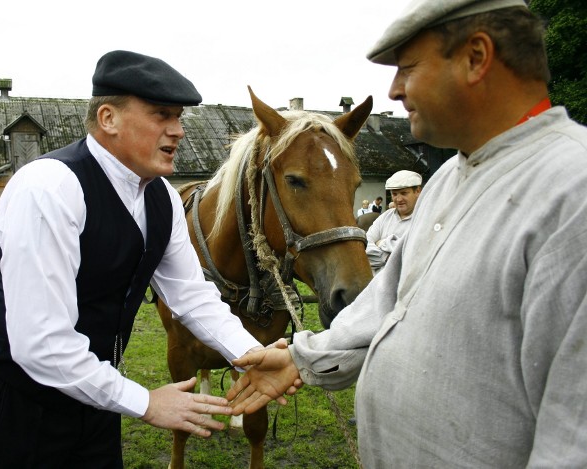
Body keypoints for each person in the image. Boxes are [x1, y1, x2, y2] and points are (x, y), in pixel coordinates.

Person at [226, 1, 587, 467]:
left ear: (477, 57)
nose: (394, 91)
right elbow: (388, 301)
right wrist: (301, 358)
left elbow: (574, 435)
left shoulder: (571, 190)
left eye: (407, 69)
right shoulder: (448, 179)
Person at [0, 50, 266, 468]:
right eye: (161, 115)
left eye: (180, 118)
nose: (178, 131)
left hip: (94, 397)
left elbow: (191, 296)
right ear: (108, 118)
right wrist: (144, 402)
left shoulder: (163, 199)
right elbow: (40, 344)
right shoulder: (49, 188)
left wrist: (253, 354)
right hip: (10, 405)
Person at [365, 170, 421, 274]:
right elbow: (364, 248)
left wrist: (381, 243)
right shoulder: (385, 217)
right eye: (394, 194)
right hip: (377, 287)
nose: (398, 199)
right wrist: (386, 257)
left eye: (404, 193)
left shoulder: (424, 219)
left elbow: (417, 256)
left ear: (417, 191)